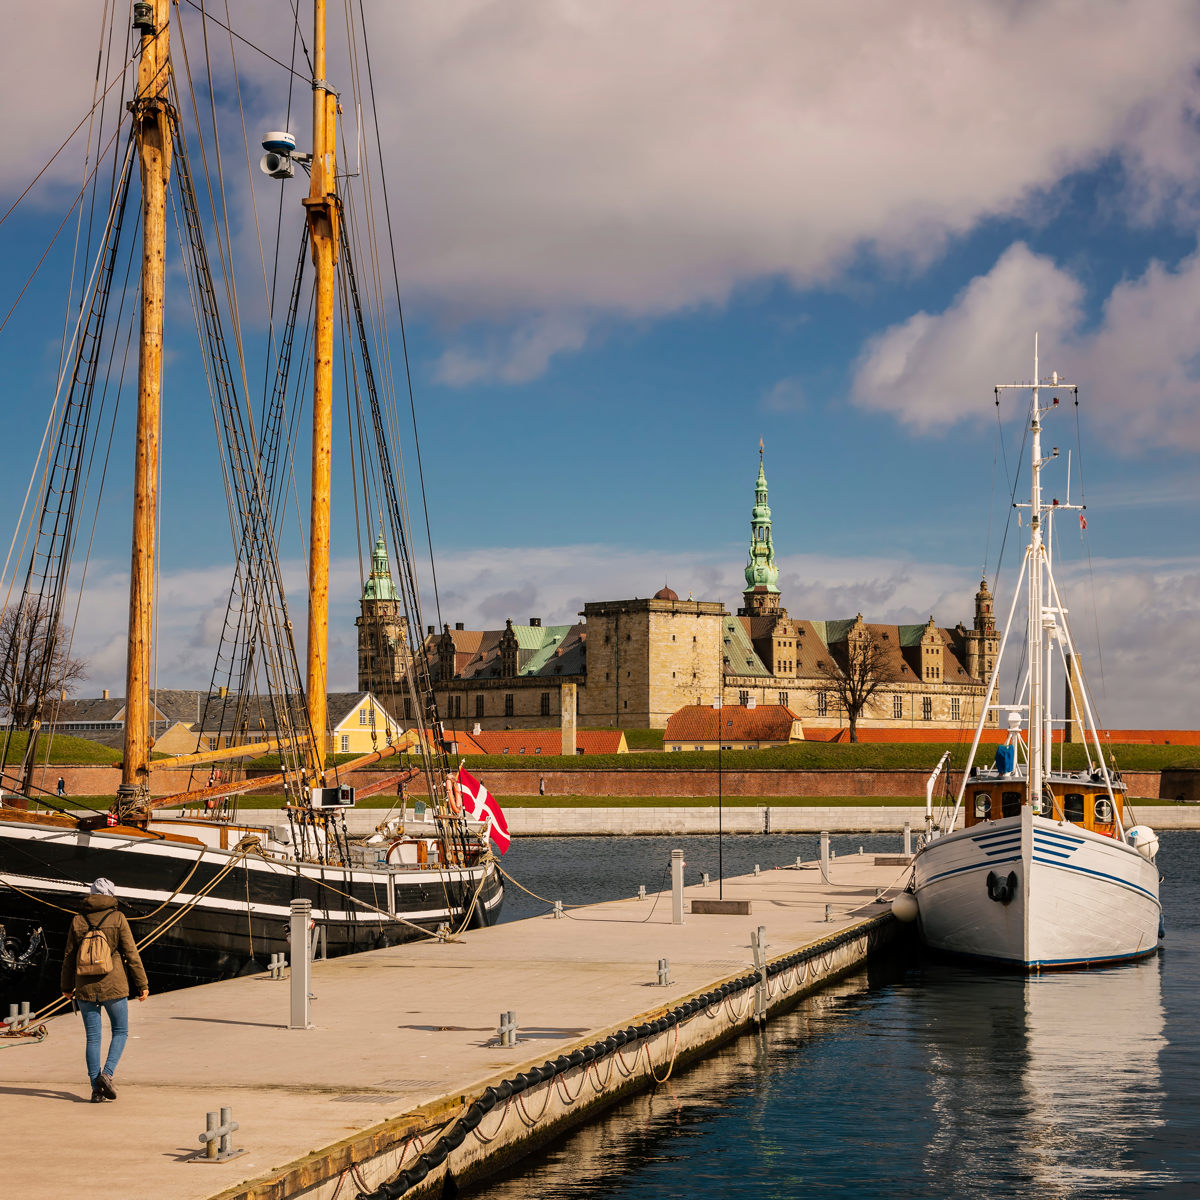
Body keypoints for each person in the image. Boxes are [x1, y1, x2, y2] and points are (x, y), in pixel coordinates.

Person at [61, 878, 149, 1103]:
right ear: (111, 895)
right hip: (114, 985)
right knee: (120, 1031)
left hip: (85, 986)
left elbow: (69, 957)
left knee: (93, 1039)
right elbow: (131, 953)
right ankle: (107, 1075)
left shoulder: (78, 920)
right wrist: (142, 985)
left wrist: (66, 987)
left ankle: (95, 1089)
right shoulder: (117, 917)